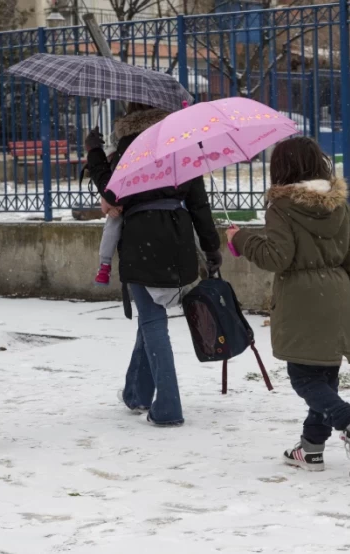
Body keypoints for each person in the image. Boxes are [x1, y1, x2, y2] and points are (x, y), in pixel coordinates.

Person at [226, 136, 350, 482]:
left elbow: (276, 257)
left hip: (302, 300)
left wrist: (239, 238)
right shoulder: (338, 205)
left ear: (281, 169)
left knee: (303, 377)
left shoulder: (281, 207)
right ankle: (310, 447)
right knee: (325, 377)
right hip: (338, 298)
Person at [84, 106, 222, 427]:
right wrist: (211, 246)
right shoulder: (179, 147)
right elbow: (199, 203)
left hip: (141, 238)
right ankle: (137, 393)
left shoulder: (130, 150)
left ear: (127, 120)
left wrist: (94, 152)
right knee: (150, 317)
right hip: (178, 239)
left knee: (152, 320)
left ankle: (169, 406)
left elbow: (111, 192)